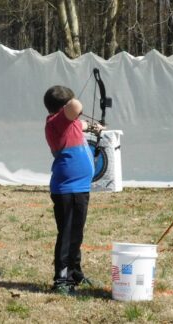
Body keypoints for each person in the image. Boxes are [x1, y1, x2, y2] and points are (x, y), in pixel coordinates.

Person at [43, 85, 104, 295]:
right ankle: (61, 279)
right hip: (66, 189)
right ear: (63, 109)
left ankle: (75, 272)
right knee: (67, 234)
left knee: (76, 234)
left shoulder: (70, 124)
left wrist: (94, 127)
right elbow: (76, 106)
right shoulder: (55, 122)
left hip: (79, 188)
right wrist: (74, 104)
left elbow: (81, 123)